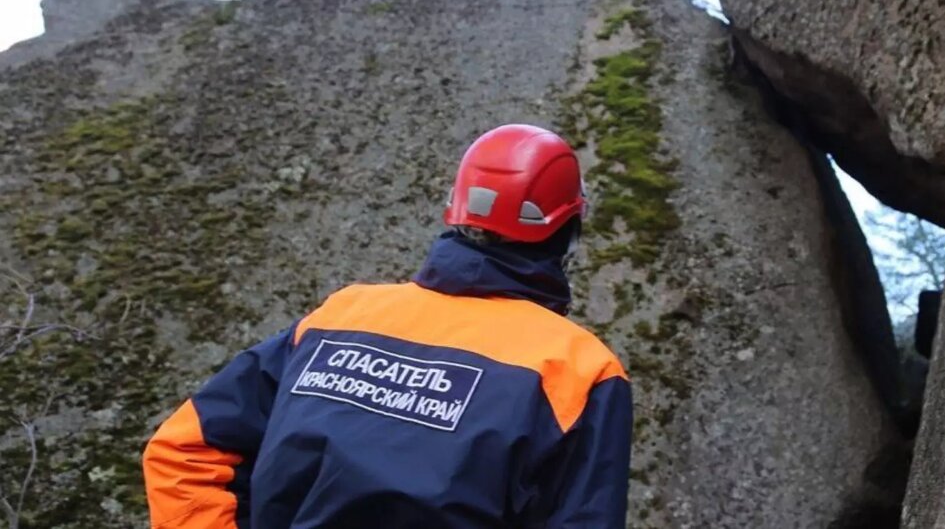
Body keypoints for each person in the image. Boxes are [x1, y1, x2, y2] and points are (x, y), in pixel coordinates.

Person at [142, 124, 633, 528]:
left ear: (458, 212)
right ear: (568, 231)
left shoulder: (343, 314)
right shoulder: (578, 368)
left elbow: (183, 451)